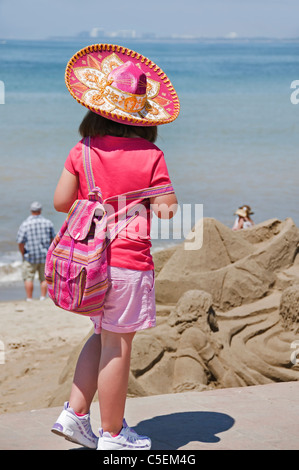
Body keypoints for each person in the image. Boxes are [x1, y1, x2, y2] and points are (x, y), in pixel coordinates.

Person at [50, 44, 180, 450]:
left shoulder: (82, 150)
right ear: (143, 117)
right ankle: (112, 434)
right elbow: (167, 212)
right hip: (127, 262)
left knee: (101, 334)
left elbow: (60, 202)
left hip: (89, 263)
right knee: (118, 345)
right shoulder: (151, 155)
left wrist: (98, 204)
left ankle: (74, 414)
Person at [17, 201, 55, 301]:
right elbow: (53, 240)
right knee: (44, 278)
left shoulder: (25, 224)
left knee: (28, 277)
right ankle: (43, 297)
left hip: (30, 256)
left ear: (31, 211)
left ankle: (29, 298)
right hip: (44, 255)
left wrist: (23, 253)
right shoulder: (48, 223)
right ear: (40, 210)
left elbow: (20, 242)